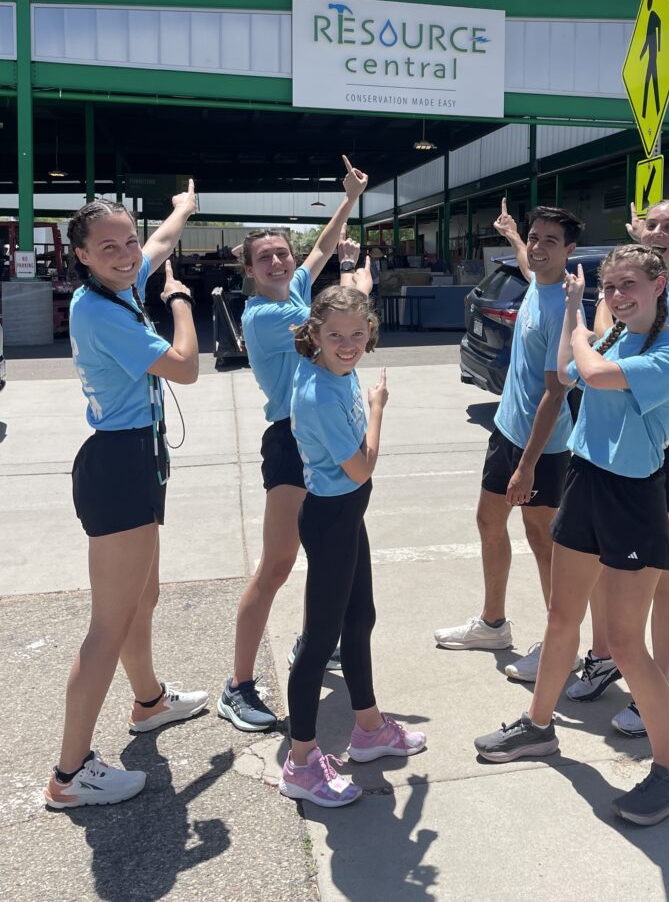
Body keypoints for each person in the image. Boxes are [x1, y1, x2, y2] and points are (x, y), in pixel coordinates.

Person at [474, 245, 669, 827]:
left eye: (629, 285)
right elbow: (565, 372)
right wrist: (577, 309)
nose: (619, 296)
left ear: (658, 285)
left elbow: (590, 374)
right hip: (585, 482)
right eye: (610, 289)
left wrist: (578, 323)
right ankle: (538, 725)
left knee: (625, 644)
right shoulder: (614, 337)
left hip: (631, 499)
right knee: (560, 618)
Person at [44, 183, 208, 809]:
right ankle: (69, 775)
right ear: (81, 256)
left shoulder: (119, 287)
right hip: (118, 466)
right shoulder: (104, 311)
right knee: (107, 626)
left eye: (129, 241)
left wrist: (182, 211)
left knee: (145, 597)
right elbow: (187, 368)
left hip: (138, 460)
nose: (126, 253)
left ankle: (150, 703)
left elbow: (160, 246)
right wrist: (184, 302)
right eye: (107, 247)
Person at [217, 157, 370, 732]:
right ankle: (238, 685)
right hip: (290, 440)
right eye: (267, 257)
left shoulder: (298, 283)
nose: (280, 261)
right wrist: (356, 287)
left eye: (283, 252)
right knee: (278, 564)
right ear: (251, 271)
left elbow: (321, 251)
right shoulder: (262, 315)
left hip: (324, 432)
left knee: (329, 555)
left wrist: (349, 198)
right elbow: (330, 324)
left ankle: (318, 640)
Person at [280, 286, 426, 807]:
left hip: (347, 515)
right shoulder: (321, 390)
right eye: (335, 335)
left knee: (358, 619)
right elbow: (361, 467)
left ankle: (367, 729)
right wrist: (378, 408)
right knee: (319, 643)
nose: (348, 344)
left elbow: (349, 293)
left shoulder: (336, 369)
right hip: (330, 517)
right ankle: (300, 762)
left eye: (358, 334)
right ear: (313, 334)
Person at [568, 200, 669, 736]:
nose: (657, 234)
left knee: (663, 573)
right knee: (608, 564)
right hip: (611, 445)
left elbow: (605, 344)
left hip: (661, 441)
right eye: (649, 225)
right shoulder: (636, 280)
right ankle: (607, 658)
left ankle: (655, 690)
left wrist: (605, 301)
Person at [434, 202, 583, 683]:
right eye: (536, 238)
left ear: (570, 250)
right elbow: (526, 261)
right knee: (488, 520)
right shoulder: (537, 281)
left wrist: (527, 467)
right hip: (507, 428)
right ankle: (493, 624)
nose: (538, 248)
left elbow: (556, 392)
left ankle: (559, 646)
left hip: (545, 446)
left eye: (549, 241)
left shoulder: (564, 305)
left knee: (543, 541)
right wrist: (515, 235)